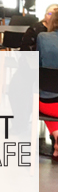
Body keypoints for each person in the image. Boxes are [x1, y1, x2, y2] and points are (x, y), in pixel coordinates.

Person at [38, 12, 58, 157]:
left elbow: (37, 67)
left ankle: (56, 135)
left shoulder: (42, 37)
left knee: (43, 92)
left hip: (48, 105)